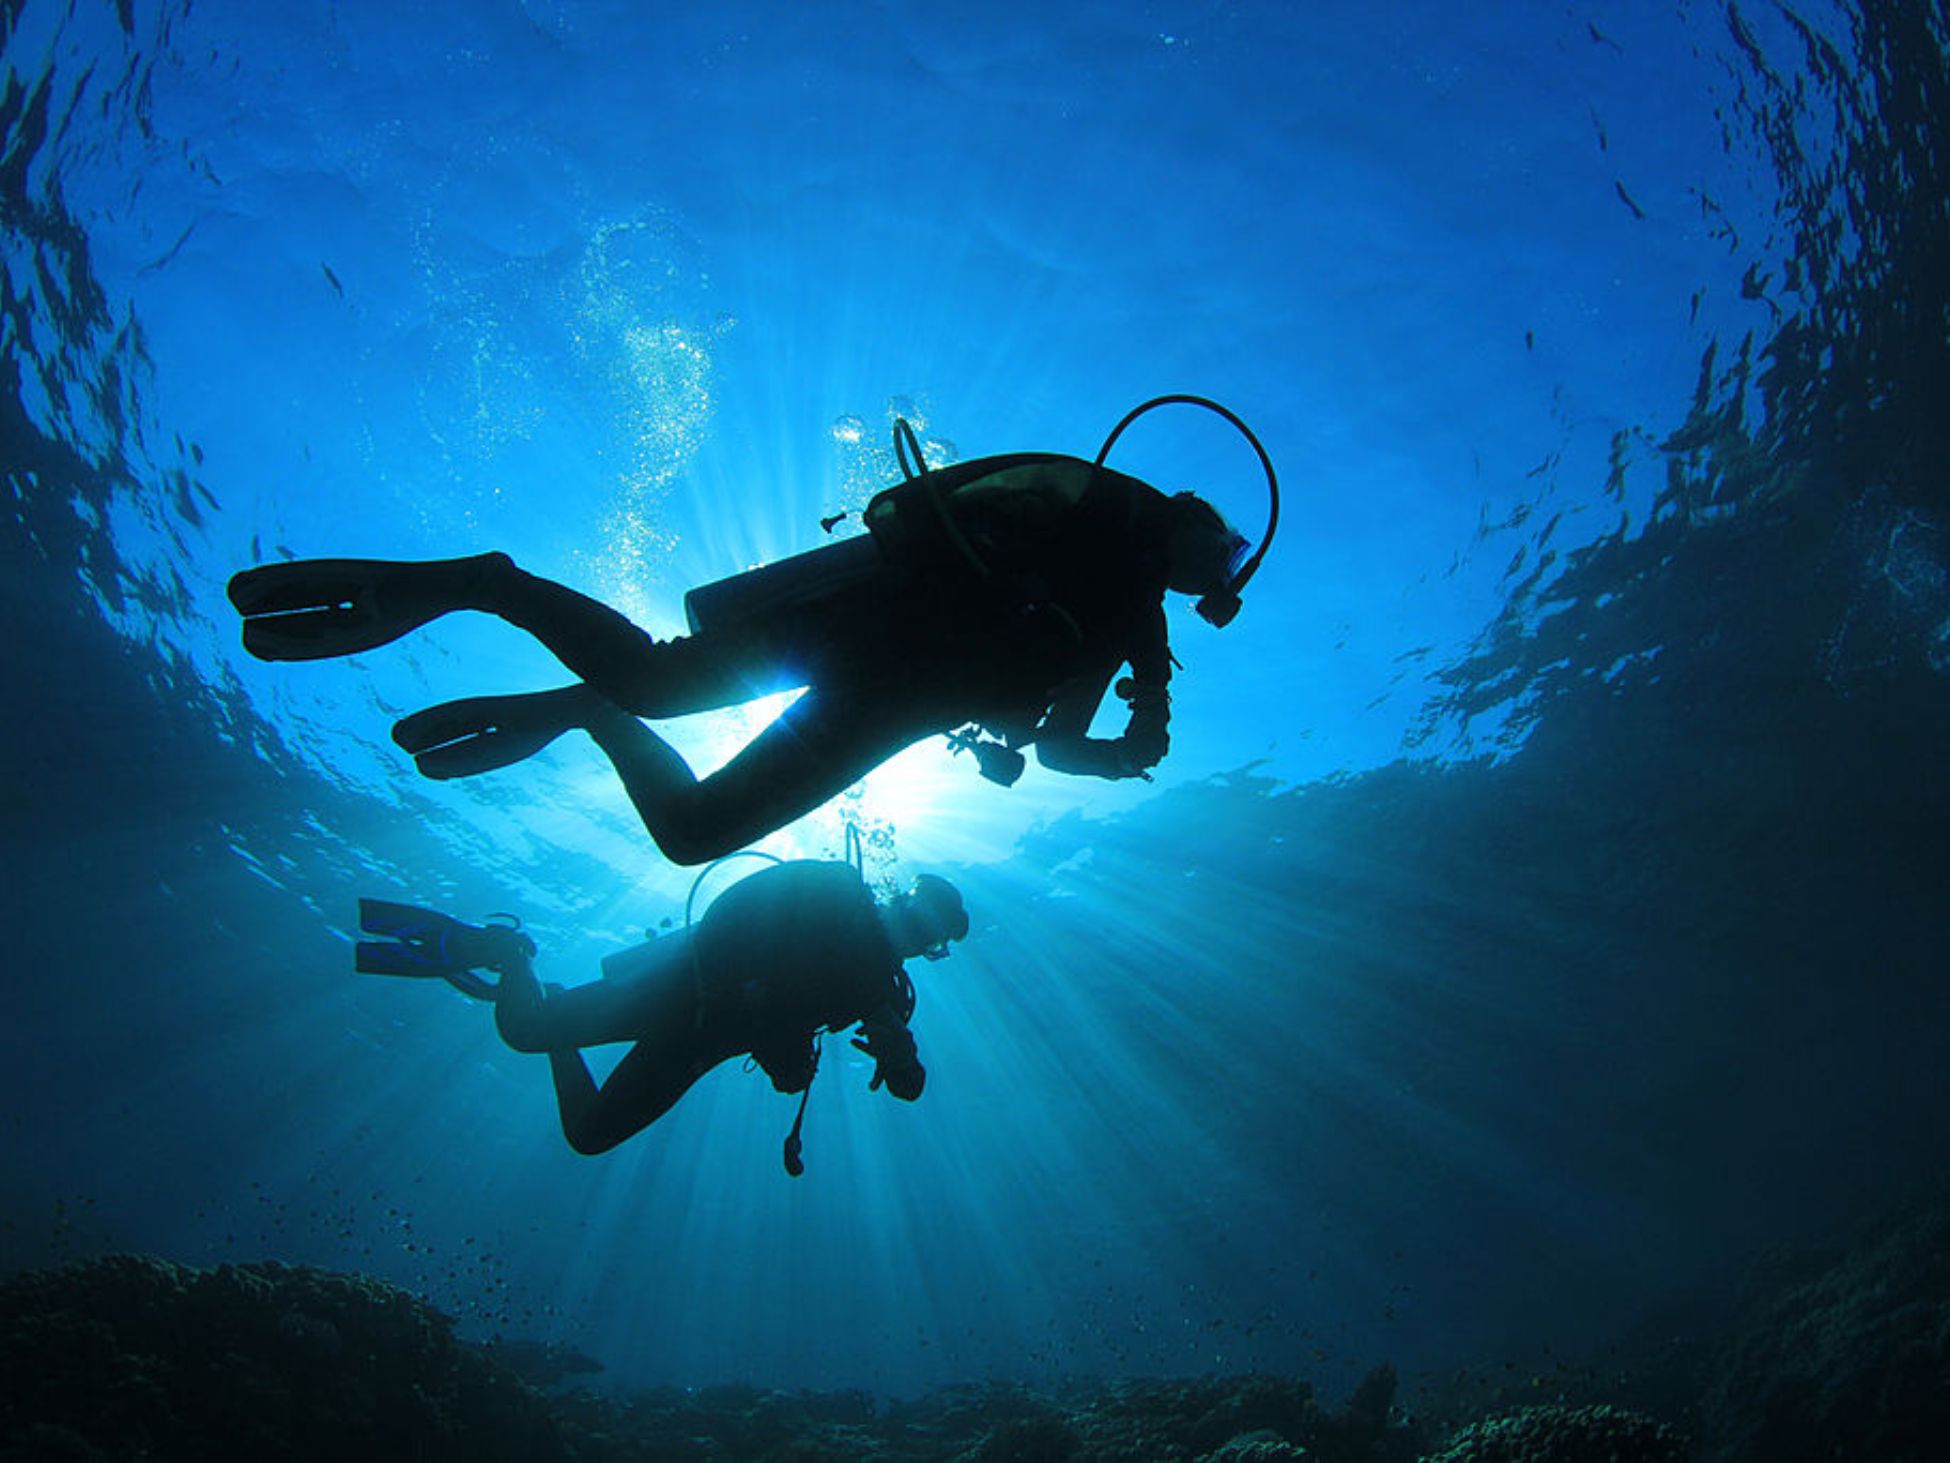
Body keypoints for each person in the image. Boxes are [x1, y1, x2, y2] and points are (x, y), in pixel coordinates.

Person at [230, 446, 1253, 866]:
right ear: (1190, 522)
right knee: (657, 682)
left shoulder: (1133, 627)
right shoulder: (1099, 526)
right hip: (864, 627)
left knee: (693, 832)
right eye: (1225, 550)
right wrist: (1136, 702)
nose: (1228, 572)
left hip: (884, 713)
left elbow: (1060, 745)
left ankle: (584, 705)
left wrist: (1126, 751)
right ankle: (487, 583)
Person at [355, 860, 969, 1169]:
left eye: (931, 942)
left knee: (589, 1135)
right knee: (522, 1031)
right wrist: (750, 1005)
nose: (918, 941)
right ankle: (510, 954)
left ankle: (542, 1000)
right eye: (921, 924)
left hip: (701, 1044)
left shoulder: (884, 995)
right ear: (901, 897)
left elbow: (911, 1089)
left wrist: (898, 1053)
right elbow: (735, 909)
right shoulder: (837, 891)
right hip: (675, 988)